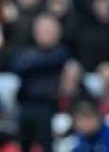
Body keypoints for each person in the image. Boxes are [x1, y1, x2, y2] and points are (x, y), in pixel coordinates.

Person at [11, 13, 69, 152]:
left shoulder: (61, 52)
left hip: (48, 107)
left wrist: (30, 63)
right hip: (25, 105)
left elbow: (47, 61)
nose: (44, 33)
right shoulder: (26, 50)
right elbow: (16, 66)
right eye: (41, 29)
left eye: (48, 29)